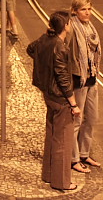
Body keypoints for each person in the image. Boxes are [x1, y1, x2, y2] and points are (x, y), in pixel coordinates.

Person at [26, 11, 80, 192]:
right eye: (69, 23)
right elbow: (63, 80)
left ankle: (48, 174)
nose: (71, 26)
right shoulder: (60, 47)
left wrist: (44, 63)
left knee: (51, 135)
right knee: (62, 140)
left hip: (48, 95)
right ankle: (62, 182)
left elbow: (30, 49)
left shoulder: (44, 40)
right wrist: (73, 104)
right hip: (60, 99)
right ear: (65, 26)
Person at [67, 0, 102, 174]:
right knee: (76, 121)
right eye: (83, 9)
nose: (87, 12)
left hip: (91, 78)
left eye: (89, 9)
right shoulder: (71, 28)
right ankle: (73, 159)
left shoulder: (90, 27)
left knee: (92, 118)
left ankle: (83, 153)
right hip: (78, 80)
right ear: (74, 11)